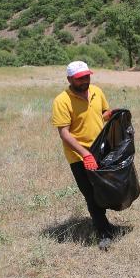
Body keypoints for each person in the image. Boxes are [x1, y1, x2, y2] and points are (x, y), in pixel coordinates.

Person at [51, 61, 116, 250]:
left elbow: (101, 114)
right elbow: (64, 133)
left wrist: (110, 115)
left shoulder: (96, 91)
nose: (85, 81)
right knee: (91, 194)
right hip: (79, 156)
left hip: (101, 149)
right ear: (69, 79)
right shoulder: (61, 101)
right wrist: (85, 154)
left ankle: (105, 222)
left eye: (87, 76)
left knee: (106, 188)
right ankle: (104, 232)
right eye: (80, 79)